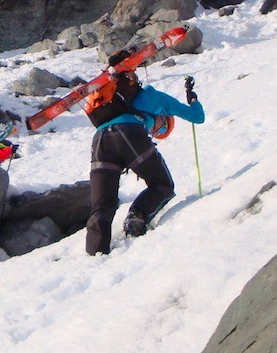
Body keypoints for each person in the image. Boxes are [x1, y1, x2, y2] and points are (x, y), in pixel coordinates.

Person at [85, 67, 204, 256]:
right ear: (163, 116)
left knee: (101, 206)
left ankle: (95, 253)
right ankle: (136, 217)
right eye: (161, 128)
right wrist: (193, 100)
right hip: (128, 133)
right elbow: (198, 117)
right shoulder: (156, 99)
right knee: (163, 185)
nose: (153, 132)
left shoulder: (115, 99)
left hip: (100, 141)